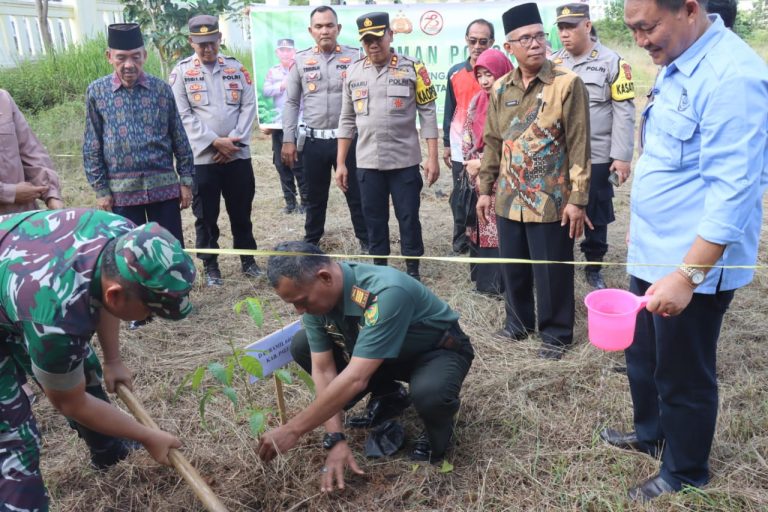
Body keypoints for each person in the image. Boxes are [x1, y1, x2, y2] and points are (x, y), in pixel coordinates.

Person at [599, 0, 767, 502]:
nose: (641, 39)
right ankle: (651, 434)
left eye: (647, 27)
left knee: (682, 372)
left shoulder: (732, 77)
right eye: (631, 29)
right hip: (653, 252)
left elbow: (732, 191)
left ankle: (685, 469)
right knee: (644, 355)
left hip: (689, 267)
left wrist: (688, 275)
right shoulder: (678, 61)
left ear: (690, 9)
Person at [0, 208, 196, 511]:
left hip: (19, 282)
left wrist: (113, 359)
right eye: (151, 311)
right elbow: (70, 402)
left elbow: (99, 292)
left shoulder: (124, 236)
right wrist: (147, 436)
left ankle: (107, 451)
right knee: (14, 439)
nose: (151, 318)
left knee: (79, 365)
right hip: (28, 294)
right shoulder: (54, 318)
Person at [257, 241, 474, 490]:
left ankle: (438, 434)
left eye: (302, 301)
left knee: (429, 394)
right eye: (293, 304)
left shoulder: (385, 292)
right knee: (302, 344)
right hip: (381, 356)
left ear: (325, 277)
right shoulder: (316, 304)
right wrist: (335, 438)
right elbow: (324, 369)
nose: (299, 310)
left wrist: (293, 430)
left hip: (435, 352)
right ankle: (389, 394)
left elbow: (355, 378)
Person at [476, 2, 591, 360]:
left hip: (550, 199)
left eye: (540, 36)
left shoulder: (567, 84)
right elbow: (492, 141)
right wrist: (485, 189)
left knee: (551, 269)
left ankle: (556, 334)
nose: (536, 44)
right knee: (514, 266)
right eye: (525, 39)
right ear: (508, 48)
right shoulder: (500, 89)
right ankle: (518, 323)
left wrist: (578, 198)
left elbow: (579, 144)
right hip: (509, 196)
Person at [83, 23, 194, 330]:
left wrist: (186, 181)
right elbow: (92, 144)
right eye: (121, 57)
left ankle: (176, 300)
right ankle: (138, 310)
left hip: (163, 187)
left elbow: (179, 138)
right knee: (125, 252)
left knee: (169, 245)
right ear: (109, 56)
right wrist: (101, 188)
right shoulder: (97, 92)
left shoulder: (161, 90)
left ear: (144, 55)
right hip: (121, 190)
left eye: (135, 56)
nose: (128, 64)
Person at [336, 12, 440, 281]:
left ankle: (412, 269)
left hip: (404, 161)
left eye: (378, 38)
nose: (373, 45)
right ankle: (379, 268)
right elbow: (346, 119)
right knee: (374, 218)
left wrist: (433, 157)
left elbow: (427, 112)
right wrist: (340, 163)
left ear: (390, 36)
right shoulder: (353, 72)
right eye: (367, 40)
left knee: (408, 217)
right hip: (368, 162)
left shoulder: (412, 68)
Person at [170, 14, 261, 288]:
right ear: (191, 41)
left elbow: (248, 105)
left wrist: (232, 141)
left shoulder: (236, 68)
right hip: (203, 158)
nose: (208, 49)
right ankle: (211, 266)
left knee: (241, 211)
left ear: (219, 38)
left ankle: (248, 260)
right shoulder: (182, 73)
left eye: (212, 42)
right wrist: (213, 141)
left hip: (237, 155)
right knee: (206, 215)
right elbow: (182, 114)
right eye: (201, 44)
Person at [552, 3, 636, 290]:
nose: (565, 34)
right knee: (560, 206)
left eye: (571, 27)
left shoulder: (613, 62)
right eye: (561, 28)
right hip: (560, 155)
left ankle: (593, 265)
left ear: (587, 26)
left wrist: (622, 157)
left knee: (596, 212)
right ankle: (559, 259)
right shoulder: (553, 63)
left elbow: (624, 111)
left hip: (597, 154)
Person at [281, 6, 369, 251]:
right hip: (314, 141)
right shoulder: (300, 60)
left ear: (338, 28)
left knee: (356, 195)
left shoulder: (355, 58)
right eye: (319, 26)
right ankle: (311, 245)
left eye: (330, 25)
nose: (325, 30)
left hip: (348, 141)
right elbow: (291, 102)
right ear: (311, 31)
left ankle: (366, 242)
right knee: (314, 198)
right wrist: (288, 138)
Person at [460, 49, 512, 295]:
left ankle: (502, 285)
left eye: (489, 74)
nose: (484, 80)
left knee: (500, 231)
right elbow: (468, 134)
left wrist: (484, 163)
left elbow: (516, 143)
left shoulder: (513, 102)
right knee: (479, 226)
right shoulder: (477, 101)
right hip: (478, 177)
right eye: (480, 75)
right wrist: (472, 161)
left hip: (506, 179)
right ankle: (484, 282)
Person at [443, 19, 495, 256]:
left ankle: (483, 241)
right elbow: (449, 109)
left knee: (487, 194)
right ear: (466, 40)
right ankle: (460, 238)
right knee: (461, 194)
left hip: (490, 150)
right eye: (472, 41)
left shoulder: (500, 73)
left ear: (492, 43)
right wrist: (446, 143)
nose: (477, 46)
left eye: (483, 41)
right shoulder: (455, 73)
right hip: (459, 147)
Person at [0, 89, 63, 215]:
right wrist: (9, 193)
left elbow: (30, 151)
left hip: (22, 220)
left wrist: (51, 195)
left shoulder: (3, 99)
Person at [263, 39, 308, 215]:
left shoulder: (302, 68)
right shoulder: (273, 71)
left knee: (299, 164)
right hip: (278, 124)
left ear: (295, 51)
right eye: (282, 50)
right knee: (281, 164)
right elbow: (266, 91)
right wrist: (281, 85)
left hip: (299, 124)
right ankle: (290, 202)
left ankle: (305, 202)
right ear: (277, 53)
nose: (286, 53)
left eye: (289, 50)